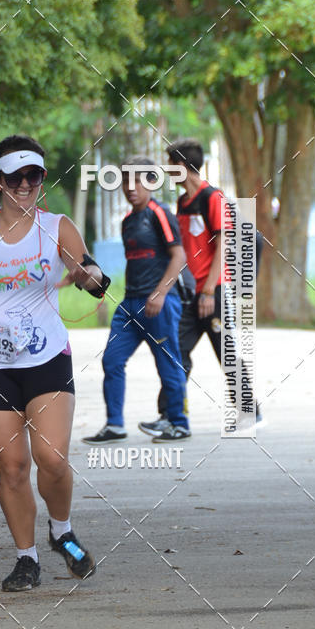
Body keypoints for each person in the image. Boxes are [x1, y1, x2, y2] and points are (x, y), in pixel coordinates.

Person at [0, 134, 110, 592]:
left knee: (51, 459)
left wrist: (90, 277)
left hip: (46, 356)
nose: (26, 184)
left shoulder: (58, 226)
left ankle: (61, 530)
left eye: (34, 175)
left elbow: (90, 272)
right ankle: (26, 559)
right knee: (12, 467)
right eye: (16, 176)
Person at [139, 139, 262, 436]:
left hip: (212, 293)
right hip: (188, 294)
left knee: (226, 351)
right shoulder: (182, 203)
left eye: (170, 165)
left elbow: (223, 247)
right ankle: (171, 415)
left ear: (181, 166)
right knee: (174, 351)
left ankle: (249, 412)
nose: (168, 171)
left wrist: (208, 292)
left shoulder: (213, 198)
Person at [83, 158, 190, 444]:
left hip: (159, 304)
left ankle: (179, 423)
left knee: (167, 364)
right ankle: (115, 425)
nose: (131, 187)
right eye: (125, 181)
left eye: (138, 181)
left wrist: (159, 294)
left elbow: (179, 256)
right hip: (130, 304)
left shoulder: (160, 213)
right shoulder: (128, 221)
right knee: (111, 360)